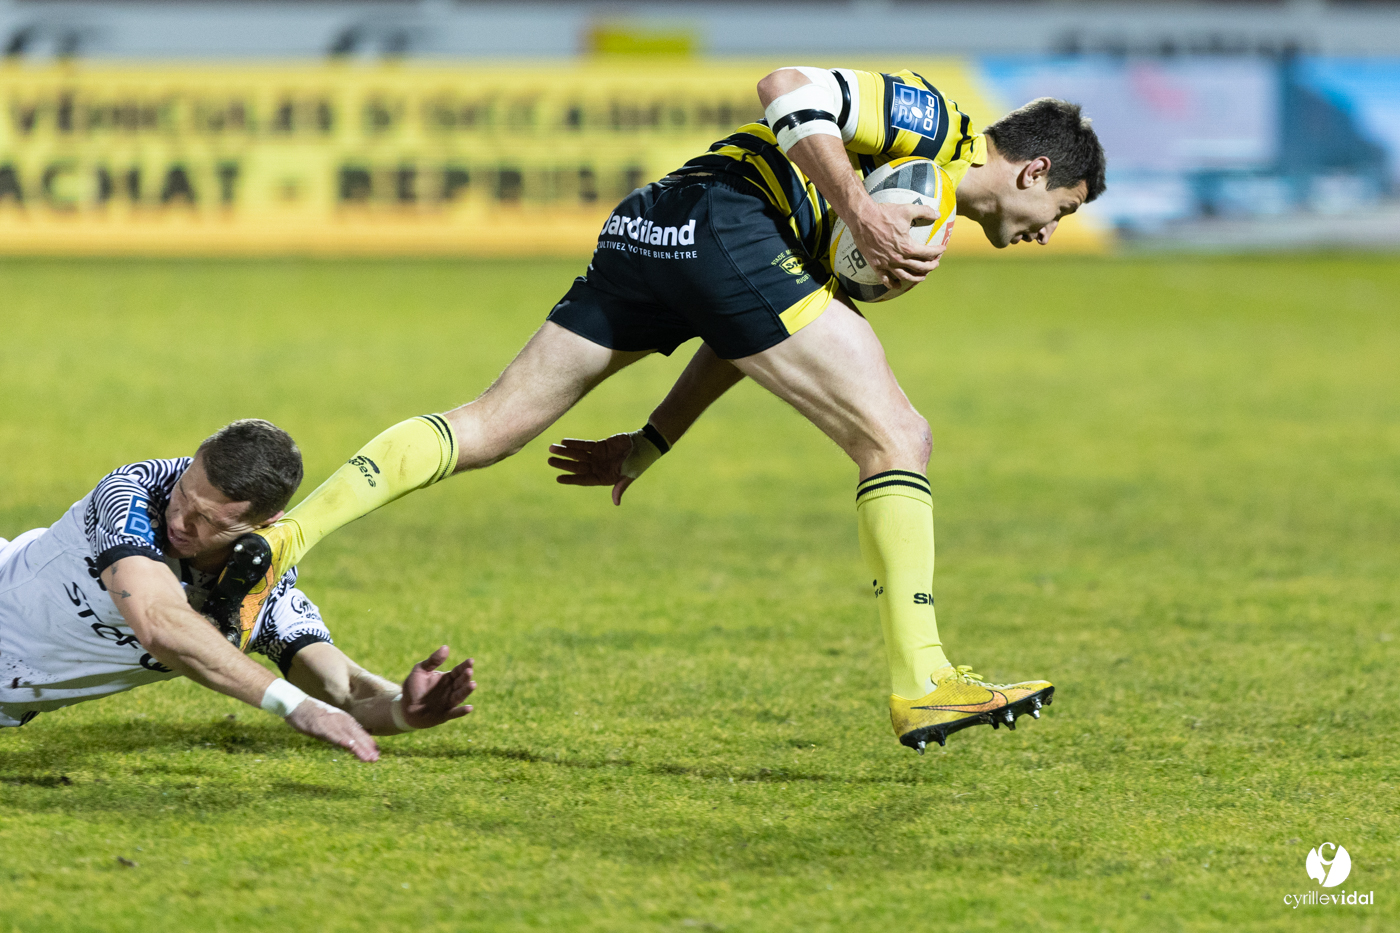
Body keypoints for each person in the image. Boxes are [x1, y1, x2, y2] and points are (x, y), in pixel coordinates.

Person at [210, 67, 1106, 753]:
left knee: (488, 424)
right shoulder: (937, 127)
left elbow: (746, 331)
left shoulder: (912, 206)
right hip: (728, 218)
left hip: (656, 224)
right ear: (1034, 170)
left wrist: (652, 439)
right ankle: (925, 679)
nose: (1048, 233)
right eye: (1060, 210)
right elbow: (787, 87)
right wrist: (857, 212)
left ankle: (279, 544)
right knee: (898, 437)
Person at [0, 419, 475, 762]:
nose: (179, 521)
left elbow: (344, 691)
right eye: (185, 495)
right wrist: (291, 704)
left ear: (264, 522)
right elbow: (160, 621)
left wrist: (402, 709)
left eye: (208, 519)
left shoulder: (259, 590)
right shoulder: (133, 495)